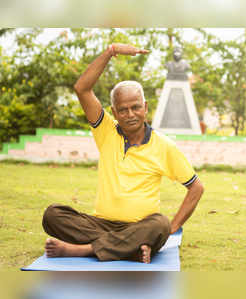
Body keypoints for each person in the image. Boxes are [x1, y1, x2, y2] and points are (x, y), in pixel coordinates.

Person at [42, 43, 204, 263]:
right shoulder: (106, 131)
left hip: (140, 226)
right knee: (53, 215)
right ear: (114, 112)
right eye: (123, 110)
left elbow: (196, 187)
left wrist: (170, 230)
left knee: (160, 224)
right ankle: (129, 249)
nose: (130, 114)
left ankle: (85, 249)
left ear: (145, 107)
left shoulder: (164, 145)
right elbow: (82, 88)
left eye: (136, 107)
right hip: (101, 224)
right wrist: (110, 52)